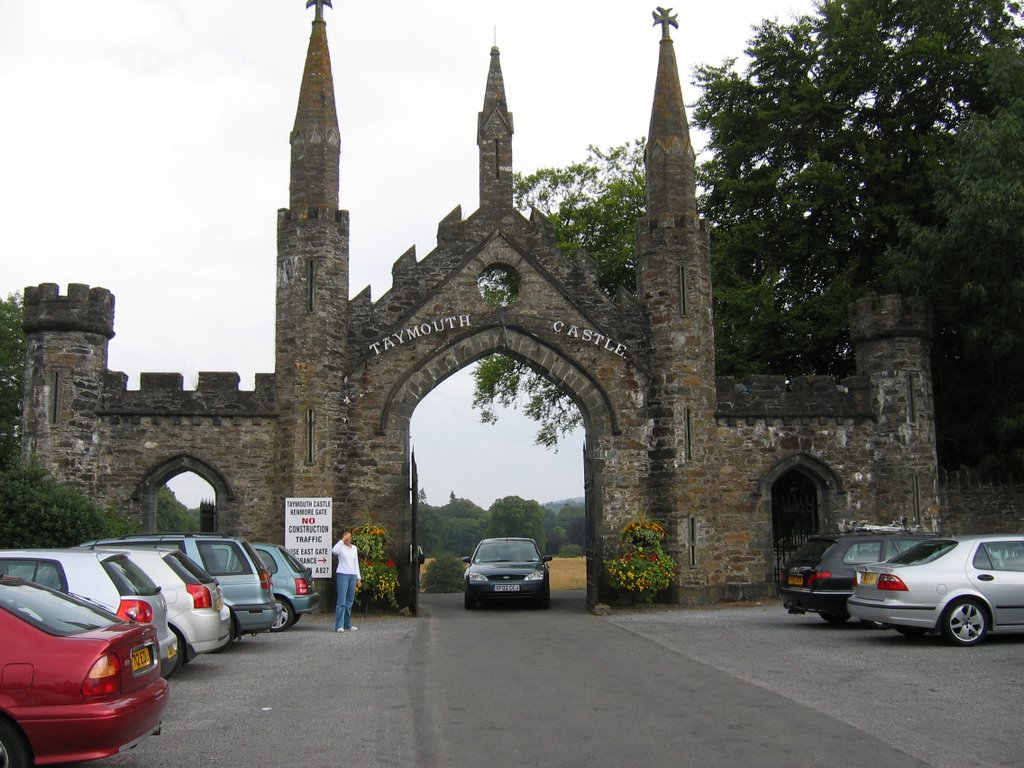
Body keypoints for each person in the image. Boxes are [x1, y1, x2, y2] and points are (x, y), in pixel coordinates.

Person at [332, 528, 362, 632]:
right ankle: (339, 625)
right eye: (346, 537)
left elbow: (356, 563)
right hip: (342, 574)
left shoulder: (354, 548)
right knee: (341, 601)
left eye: (349, 537)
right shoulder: (340, 547)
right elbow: (334, 551)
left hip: (352, 575)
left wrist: (358, 578)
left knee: (349, 601)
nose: (348, 539)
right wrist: (342, 540)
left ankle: (347, 624)